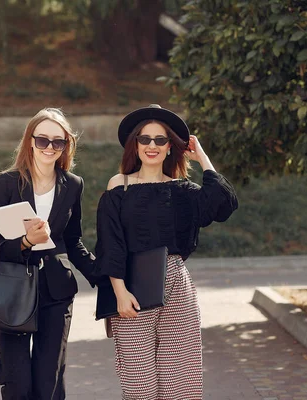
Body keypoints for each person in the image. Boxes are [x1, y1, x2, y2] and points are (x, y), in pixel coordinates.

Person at [95, 104, 238, 400]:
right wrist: (119, 292)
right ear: (135, 144)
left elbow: (222, 204)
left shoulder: (183, 190)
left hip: (176, 285)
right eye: (145, 138)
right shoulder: (118, 185)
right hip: (132, 289)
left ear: (170, 146)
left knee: (180, 382)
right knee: (140, 386)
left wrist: (202, 158)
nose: (152, 146)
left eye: (160, 140)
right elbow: (110, 241)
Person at [0, 108, 97, 400]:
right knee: (17, 381)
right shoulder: (7, 183)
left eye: (57, 142)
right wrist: (25, 242)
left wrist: (107, 276)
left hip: (56, 291)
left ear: (66, 146)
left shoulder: (73, 185)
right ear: (29, 142)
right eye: (42, 140)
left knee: (49, 379)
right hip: (13, 292)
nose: (49, 147)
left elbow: (73, 241)